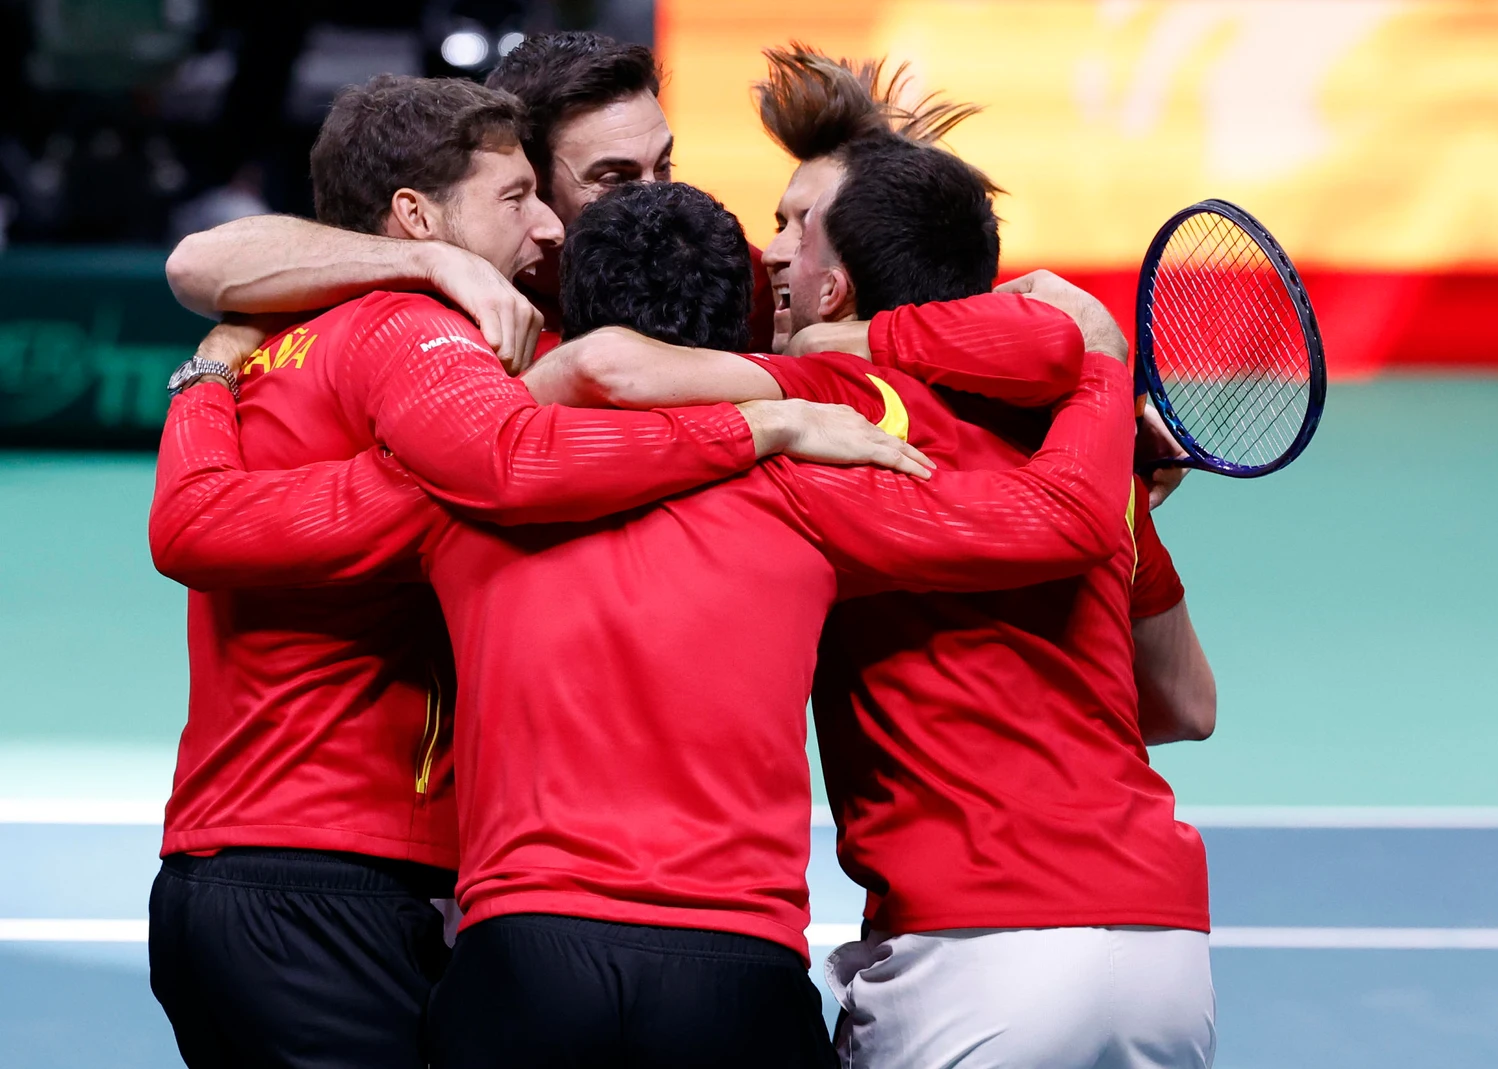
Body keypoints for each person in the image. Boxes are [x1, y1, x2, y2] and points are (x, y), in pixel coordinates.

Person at [154, 177, 1136, 1067]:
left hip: (522, 966)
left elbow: (215, 523)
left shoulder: (469, 486)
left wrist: (208, 382)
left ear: (565, 310)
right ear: (746, 318)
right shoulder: (810, 484)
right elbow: (1059, 521)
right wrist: (1098, 371)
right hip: (735, 975)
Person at [533, 47, 1219, 1068]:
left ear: (839, 279)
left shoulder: (820, 411)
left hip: (974, 950)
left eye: (790, 224)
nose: (767, 249)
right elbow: (1182, 705)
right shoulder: (1070, 435)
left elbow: (604, 371)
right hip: (1162, 954)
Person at [165, 32, 773, 367]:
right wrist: (435, 261)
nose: (656, 199)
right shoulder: (442, 301)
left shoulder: (707, 257)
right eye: (612, 178)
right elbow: (196, 265)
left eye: (663, 164)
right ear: (524, 177)